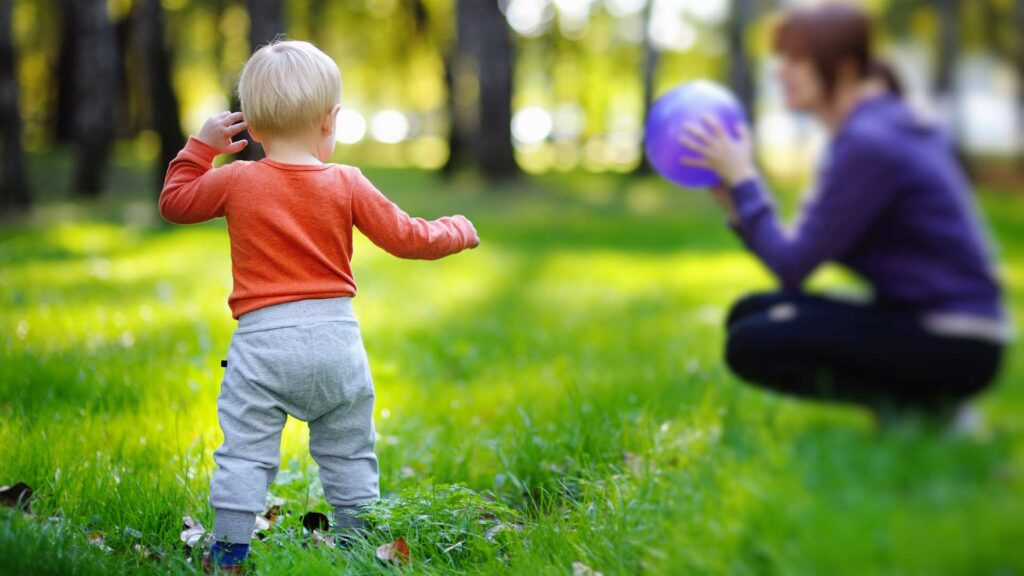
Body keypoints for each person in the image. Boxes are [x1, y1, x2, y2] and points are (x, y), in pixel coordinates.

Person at [159, 40, 479, 571]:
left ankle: (229, 553)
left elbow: (174, 202)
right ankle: (361, 547)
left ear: (253, 129)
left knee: (245, 454)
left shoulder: (236, 180)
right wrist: (457, 229)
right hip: (336, 345)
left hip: (263, 347)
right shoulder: (346, 182)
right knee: (350, 452)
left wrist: (201, 146)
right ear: (331, 121)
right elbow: (408, 238)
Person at [678, 4, 1010, 416]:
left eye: (796, 60)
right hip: (939, 327)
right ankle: (920, 401)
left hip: (956, 338)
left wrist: (745, 178)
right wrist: (736, 202)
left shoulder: (870, 141)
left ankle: (921, 406)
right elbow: (795, 260)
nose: (782, 72)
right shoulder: (879, 124)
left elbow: (793, 265)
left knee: (751, 342)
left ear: (845, 67)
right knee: (752, 312)